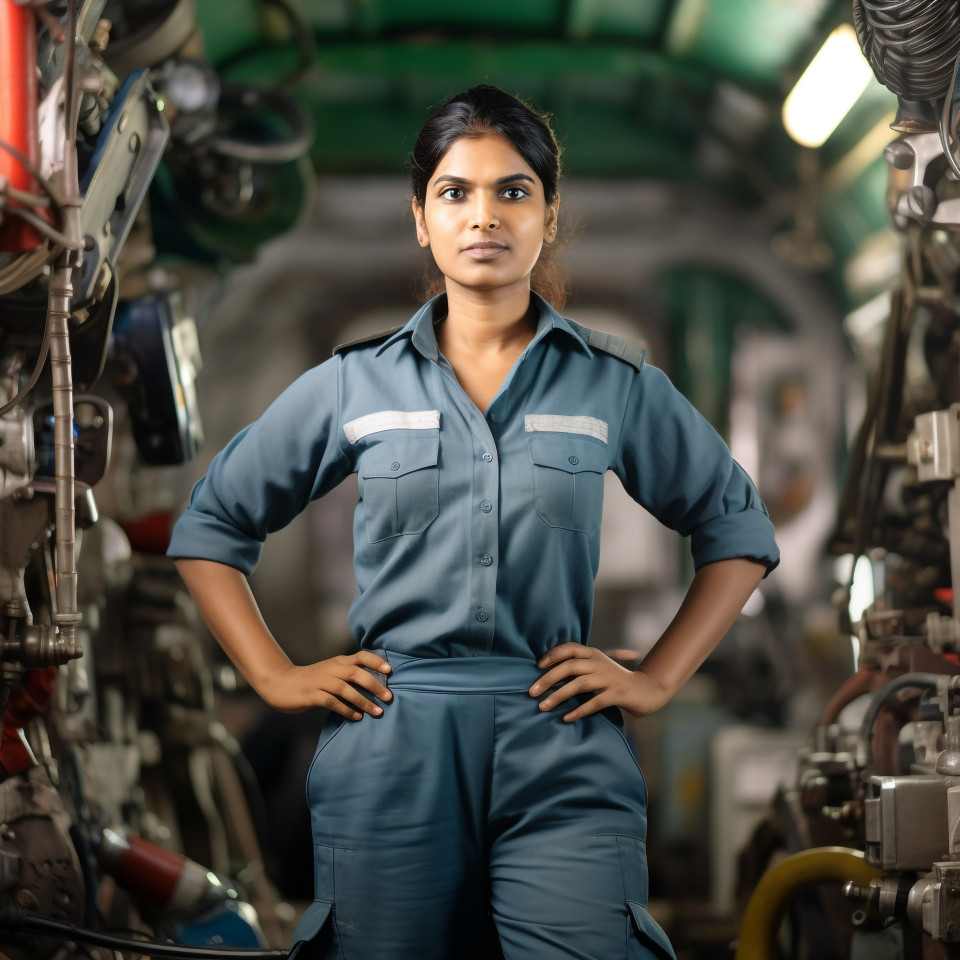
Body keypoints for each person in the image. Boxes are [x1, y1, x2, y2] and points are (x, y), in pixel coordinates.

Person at [167, 84, 779, 960]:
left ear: (549, 216)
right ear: (421, 218)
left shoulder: (613, 383)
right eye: (455, 192)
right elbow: (211, 528)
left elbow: (737, 531)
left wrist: (657, 680)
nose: (483, 216)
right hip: (394, 742)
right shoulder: (355, 384)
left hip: (559, 737)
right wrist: (273, 677)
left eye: (512, 191)